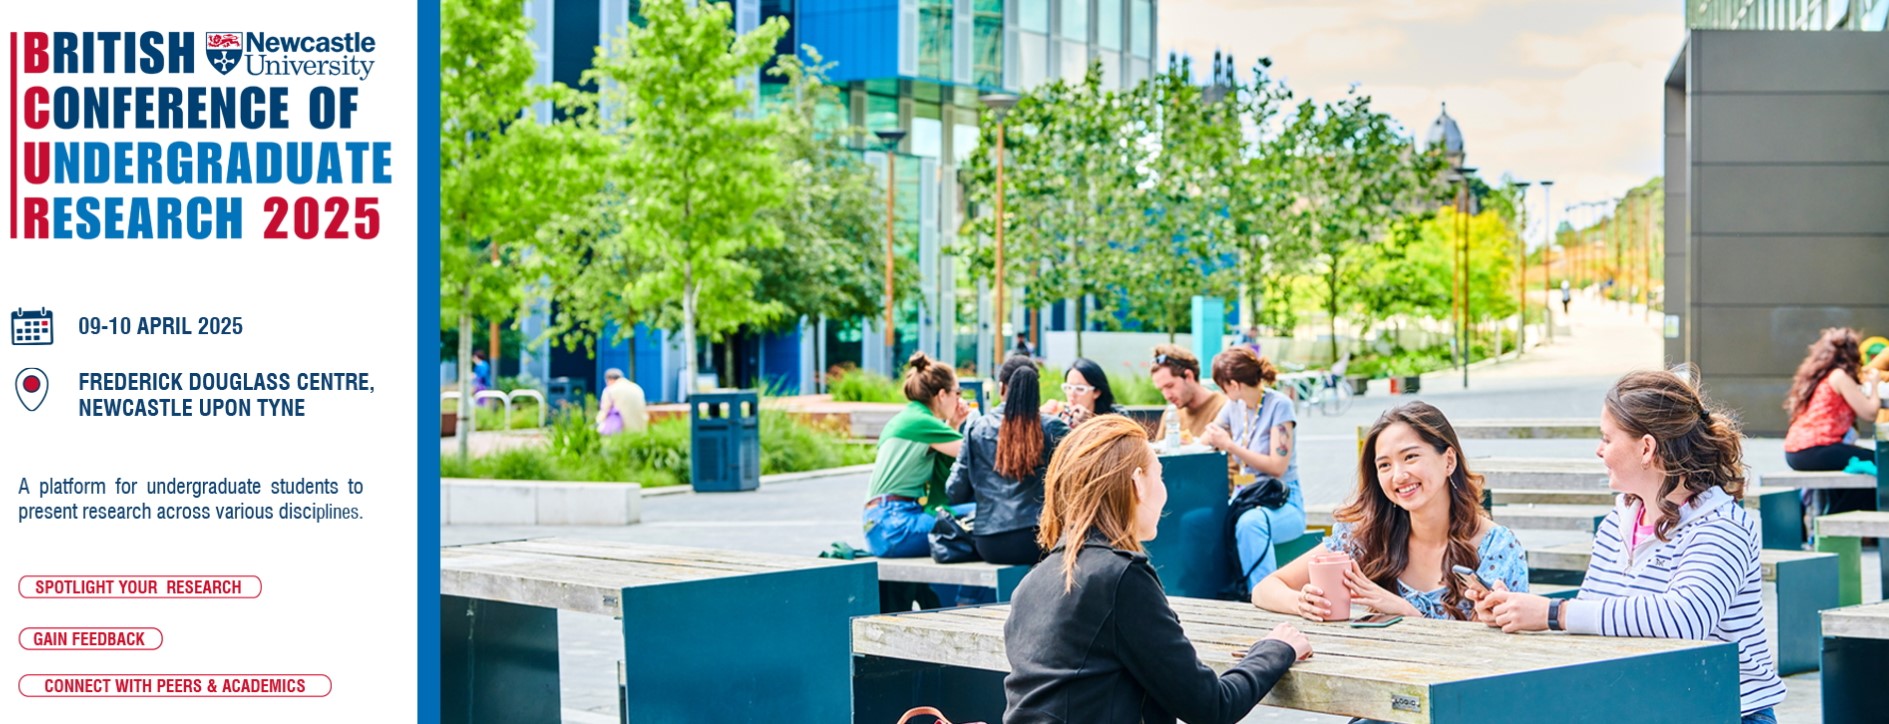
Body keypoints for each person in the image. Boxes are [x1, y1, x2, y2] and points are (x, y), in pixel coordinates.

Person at [1472, 368, 1784, 723]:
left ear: (1646, 448)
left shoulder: (1723, 527)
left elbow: (1685, 618)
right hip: (1642, 708)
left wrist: (1551, 613)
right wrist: (1512, 611)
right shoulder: (1614, 526)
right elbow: (1591, 622)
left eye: (1607, 438)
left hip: (1726, 712)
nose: (1599, 450)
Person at [1003, 416, 1312, 724]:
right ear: (1137, 482)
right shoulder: (1119, 577)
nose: (1164, 492)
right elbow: (1212, 707)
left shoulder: (1031, 584)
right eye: (1160, 476)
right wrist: (1276, 648)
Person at [1254, 401, 1528, 621]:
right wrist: (1303, 603)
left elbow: (1495, 658)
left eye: (1410, 457)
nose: (1398, 476)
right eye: (1384, 465)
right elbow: (1265, 589)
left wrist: (1407, 614)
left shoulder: (1497, 547)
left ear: (1448, 460)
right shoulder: (1365, 538)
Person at [1199, 348, 1307, 589]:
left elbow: (1277, 466)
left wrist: (1230, 446)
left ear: (1234, 385)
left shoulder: (1279, 405)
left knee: (1250, 524)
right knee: (1196, 521)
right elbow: (1209, 435)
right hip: (1245, 496)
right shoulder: (1234, 406)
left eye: (1222, 386)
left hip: (1282, 499)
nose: (1221, 392)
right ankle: (1214, 594)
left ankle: (1261, 596)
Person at [946, 356, 1069, 565]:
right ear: (1035, 390)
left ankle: (967, 600)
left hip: (990, 543)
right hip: (1040, 540)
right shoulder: (1051, 427)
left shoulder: (976, 428)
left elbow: (954, 493)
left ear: (1002, 387)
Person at [862, 352, 972, 559]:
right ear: (942, 395)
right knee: (985, 518)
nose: (960, 399)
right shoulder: (922, 422)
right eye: (957, 393)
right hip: (895, 524)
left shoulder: (907, 417)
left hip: (880, 523)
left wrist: (954, 424)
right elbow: (977, 452)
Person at [1783, 327, 1883, 517]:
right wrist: (1876, 384)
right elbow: (1869, 413)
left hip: (1797, 452)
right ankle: (1832, 524)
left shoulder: (1821, 377)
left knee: (1864, 465)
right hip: (1816, 450)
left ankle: (1832, 522)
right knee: (1880, 462)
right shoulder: (1839, 376)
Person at [1151, 344, 1227, 443]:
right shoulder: (1171, 414)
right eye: (1161, 390)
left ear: (1189, 376)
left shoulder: (1224, 408)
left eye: (1170, 386)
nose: (1166, 396)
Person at [1041, 357, 1127, 428]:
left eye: (1080, 389)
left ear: (1096, 392)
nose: (1072, 394)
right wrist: (1040, 418)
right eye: (1068, 387)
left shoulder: (1117, 417)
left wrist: (1088, 423)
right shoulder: (1061, 418)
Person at [595, 368, 648, 435]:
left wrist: (597, 423)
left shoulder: (610, 390)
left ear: (609, 380)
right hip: (640, 430)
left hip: (622, 431)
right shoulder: (637, 388)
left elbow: (604, 411)